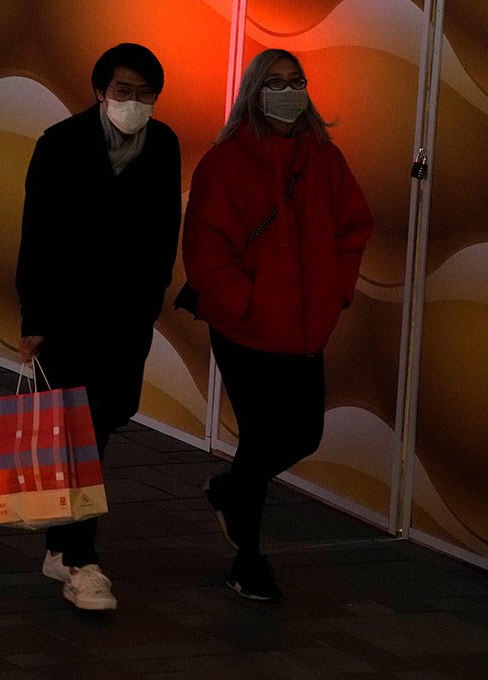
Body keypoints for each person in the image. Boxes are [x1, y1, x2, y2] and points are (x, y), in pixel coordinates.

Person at [182, 48, 372, 602]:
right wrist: (245, 301)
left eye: (296, 82)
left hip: (306, 329)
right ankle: (248, 560)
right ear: (254, 91)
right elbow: (205, 248)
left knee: (302, 433)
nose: (287, 92)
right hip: (246, 329)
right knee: (264, 437)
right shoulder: (225, 163)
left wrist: (337, 288)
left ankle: (228, 490)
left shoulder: (324, 158)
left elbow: (353, 226)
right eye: (275, 82)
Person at [15, 42, 181, 612]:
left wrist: (151, 299)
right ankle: (83, 563)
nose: (133, 102)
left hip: (126, 315)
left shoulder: (163, 145)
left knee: (101, 424)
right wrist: (34, 319)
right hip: (67, 316)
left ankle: (61, 546)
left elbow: (165, 228)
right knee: (78, 433)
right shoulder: (60, 144)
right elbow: (36, 234)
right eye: (122, 91)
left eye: (144, 93)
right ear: (99, 92)